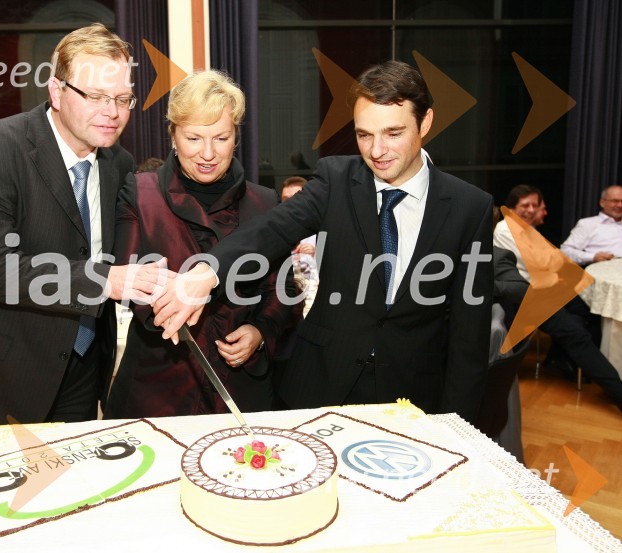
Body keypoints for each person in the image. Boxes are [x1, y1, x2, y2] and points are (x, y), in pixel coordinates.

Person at [153, 60, 494, 423]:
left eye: (393, 133)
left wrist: (459, 428)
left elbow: (468, 340)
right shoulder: (336, 179)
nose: (377, 150)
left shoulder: (469, 207)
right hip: (321, 386)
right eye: (364, 135)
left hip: (412, 397)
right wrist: (207, 272)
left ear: (425, 122)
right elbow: (272, 229)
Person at [0, 23, 173, 427]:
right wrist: (105, 280)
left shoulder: (116, 162)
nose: (113, 112)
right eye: (97, 97)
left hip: (83, 366)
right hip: (5, 373)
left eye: (122, 99)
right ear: (56, 91)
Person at [104, 71, 296, 418]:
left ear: (236, 137)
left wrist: (259, 330)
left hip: (240, 390)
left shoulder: (264, 201)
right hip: (158, 389)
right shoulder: (140, 193)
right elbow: (133, 283)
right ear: (173, 136)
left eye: (221, 138)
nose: (207, 153)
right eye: (194, 138)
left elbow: (282, 290)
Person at [493, 186, 622, 412]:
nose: (531, 210)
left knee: (590, 311)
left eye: (535, 205)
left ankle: (560, 359)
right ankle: (618, 392)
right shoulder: (505, 229)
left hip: (550, 288)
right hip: (529, 297)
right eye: (525, 205)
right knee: (576, 334)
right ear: (512, 208)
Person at [561, 184, 622, 265]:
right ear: (602, 202)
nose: (620, 205)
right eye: (615, 201)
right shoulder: (587, 224)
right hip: (601, 273)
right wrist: (592, 257)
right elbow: (565, 251)